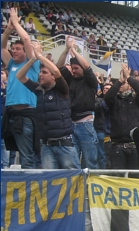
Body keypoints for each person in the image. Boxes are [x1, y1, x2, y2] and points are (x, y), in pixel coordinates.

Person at [16, 43, 80, 169]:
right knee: (49, 181)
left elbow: (56, 70)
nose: (40, 74)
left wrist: (40, 55)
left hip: (64, 144)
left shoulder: (62, 89)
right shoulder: (38, 89)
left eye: (44, 72)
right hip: (46, 146)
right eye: (40, 72)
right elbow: (20, 76)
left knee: (73, 179)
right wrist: (33, 59)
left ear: (53, 77)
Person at [1, 8, 41, 169]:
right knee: (15, 154)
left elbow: (25, 38)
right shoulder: (11, 64)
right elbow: (2, 47)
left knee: (27, 155)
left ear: (26, 51)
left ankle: (29, 189)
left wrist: (16, 23)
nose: (14, 51)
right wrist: (9, 29)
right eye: (13, 49)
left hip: (26, 115)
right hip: (11, 114)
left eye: (18, 49)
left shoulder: (32, 63)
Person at [57, 35, 99, 169]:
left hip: (85, 124)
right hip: (71, 124)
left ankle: (91, 188)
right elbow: (59, 66)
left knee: (90, 160)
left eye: (76, 68)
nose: (73, 71)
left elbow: (87, 66)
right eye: (72, 68)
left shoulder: (90, 81)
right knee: (72, 161)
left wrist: (74, 51)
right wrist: (66, 50)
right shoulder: (70, 79)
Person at [104, 63, 139, 169]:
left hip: (135, 147)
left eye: (124, 83)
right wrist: (120, 80)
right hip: (117, 147)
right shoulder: (114, 100)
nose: (122, 84)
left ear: (130, 85)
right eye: (121, 83)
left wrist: (129, 77)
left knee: (133, 180)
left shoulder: (135, 99)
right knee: (118, 178)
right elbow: (107, 97)